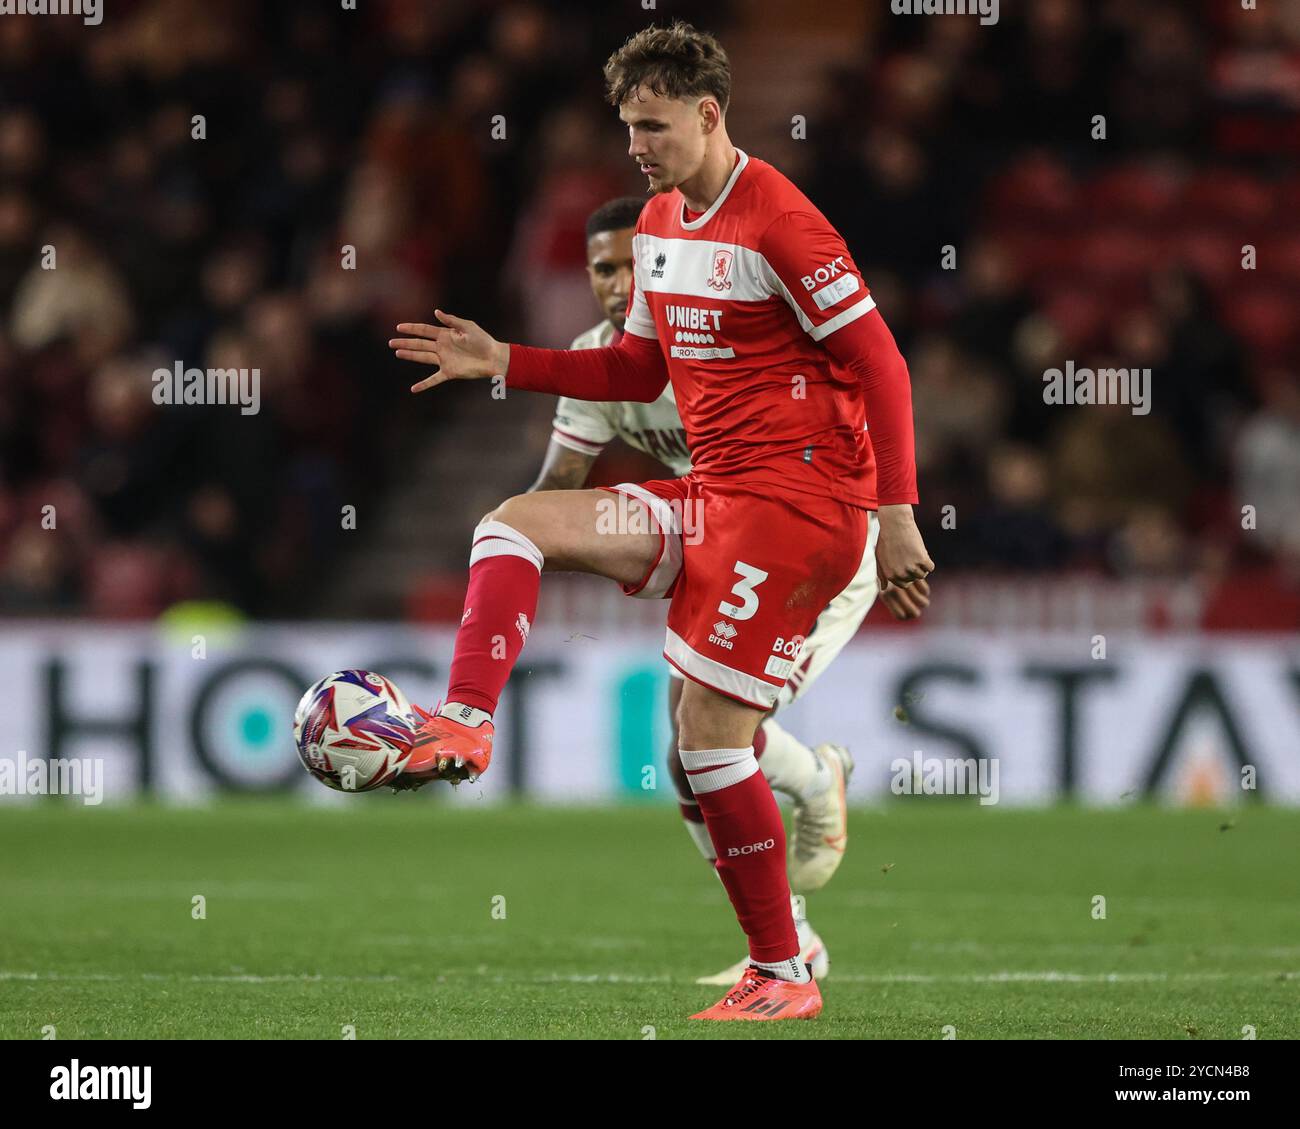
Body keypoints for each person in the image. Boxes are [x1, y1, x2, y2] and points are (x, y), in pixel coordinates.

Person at [389, 21, 932, 1022]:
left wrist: (897, 516)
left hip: (802, 503)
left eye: (652, 125)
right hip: (717, 496)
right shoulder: (656, 222)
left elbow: (883, 365)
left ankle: (784, 968)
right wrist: (510, 359)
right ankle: (464, 722)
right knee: (512, 522)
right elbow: (637, 369)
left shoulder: (782, 223)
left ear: (708, 113)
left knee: (709, 737)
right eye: (627, 126)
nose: (636, 145)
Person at [527, 195, 930, 987]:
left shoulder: (715, 337)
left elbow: (862, 385)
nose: (619, 284)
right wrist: (513, 543)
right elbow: (560, 486)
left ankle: (816, 784)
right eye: (603, 269)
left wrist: (895, 524)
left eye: (633, 264)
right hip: (729, 546)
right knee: (688, 757)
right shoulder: (600, 361)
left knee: (708, 737)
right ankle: (791, 939)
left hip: (810, 544)